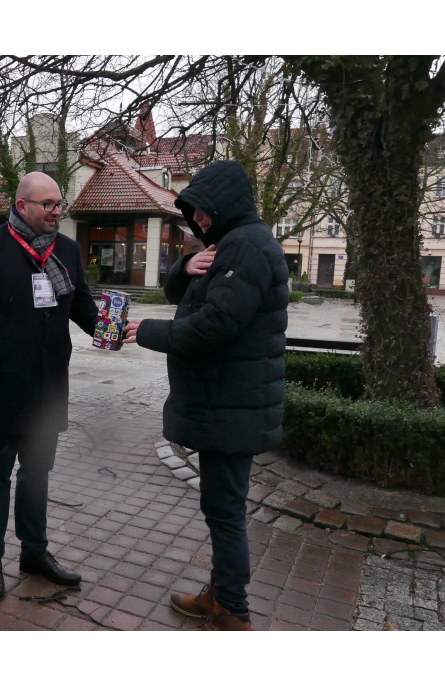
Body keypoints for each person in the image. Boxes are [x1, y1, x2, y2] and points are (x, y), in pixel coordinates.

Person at [123, 160, 289, 631]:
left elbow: (216, 325)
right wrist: (185, 263)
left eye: (201, 211)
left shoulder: (248, 247)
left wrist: (149, 331)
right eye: (190, 211)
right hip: (227, 403)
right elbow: (183, 293)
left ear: (225, 204)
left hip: (231, 405)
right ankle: (221, 595)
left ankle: (231, 608)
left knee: (226, 509)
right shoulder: (230, 244)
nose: (195, 220)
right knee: (221, 507)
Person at [0, 172, 98, 599]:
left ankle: (34, 552)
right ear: (22, 206)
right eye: (48, 205)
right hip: (4, 382)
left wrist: (112, 330)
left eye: (60, 204)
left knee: (37, 473)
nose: (57, 212)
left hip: (49, 386)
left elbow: (81, 304)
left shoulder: (69, 250)